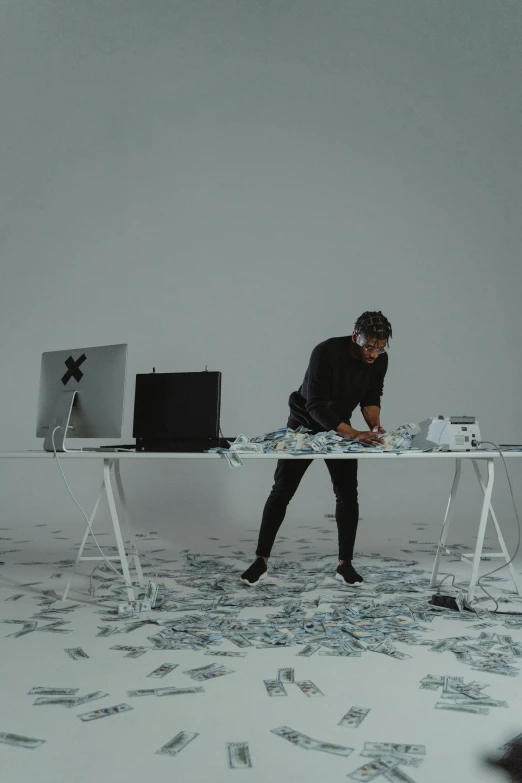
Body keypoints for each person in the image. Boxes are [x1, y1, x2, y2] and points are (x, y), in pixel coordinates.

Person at [240, 311, 392, 587]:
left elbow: (371, 396)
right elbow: (315, 405)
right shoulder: (325, 352)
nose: (373, 354)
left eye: (380, 349)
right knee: (282, 490)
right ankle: (260, 560)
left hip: (342, 427)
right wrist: (354, 433)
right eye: (369, 347)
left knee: (347, 494)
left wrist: (375, 426)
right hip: (304, 425)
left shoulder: (379, 360)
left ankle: (345, 564)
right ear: (355, 336)